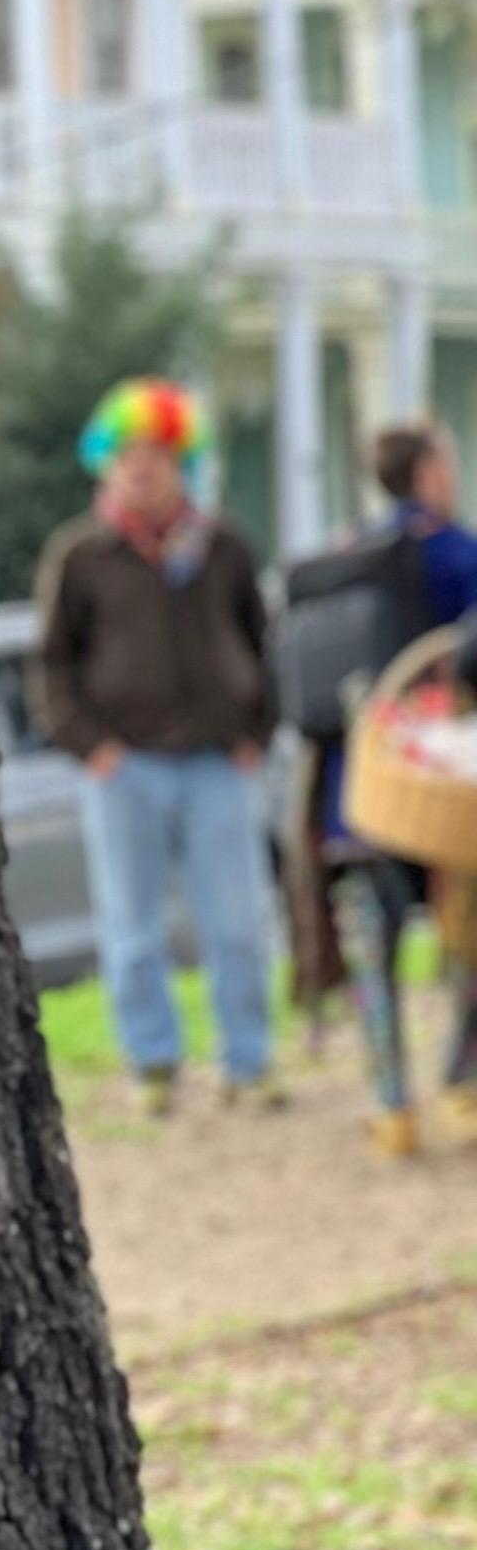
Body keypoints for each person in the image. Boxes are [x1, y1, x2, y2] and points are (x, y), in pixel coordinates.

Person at [29, 379, 280, 1113]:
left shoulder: (223, 546)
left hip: (218, 763)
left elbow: (264, 643)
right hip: (124, 766)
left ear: (181, 462)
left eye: (156, 454)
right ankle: (153, 1063)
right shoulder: (81, 554)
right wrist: (89, 746)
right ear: (105, 464)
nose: (140, 468)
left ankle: (248, 1061)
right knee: (132, 928)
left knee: (238, 921)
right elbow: (53, 662)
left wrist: (257, 730)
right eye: (127, 455)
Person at [291, 419, 477, 1154]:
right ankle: (464, 1083)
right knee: (468, 937)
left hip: (360, 790)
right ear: (427, 473)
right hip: (444, 788)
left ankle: (392, 1102)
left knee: (377, 944)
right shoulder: (455, 551)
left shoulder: (347, 554)